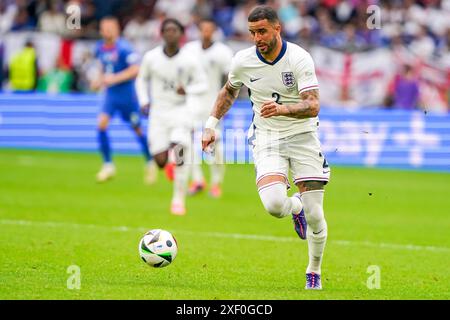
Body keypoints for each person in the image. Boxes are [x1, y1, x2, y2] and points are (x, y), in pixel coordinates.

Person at [202, 6, 329, 290]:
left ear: (277, 29)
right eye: (252, 32)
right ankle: (293, 206)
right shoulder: (243, 61)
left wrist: (283, 108)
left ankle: (314, 270)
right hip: (267, 138)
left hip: (303, 136)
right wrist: (210, 125)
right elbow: (229, 91)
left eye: (262, 31)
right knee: (273, 205)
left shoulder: (299, 58)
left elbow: (313, 105)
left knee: (316, 214)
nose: (257, 38)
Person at [136, 18, 208, 215]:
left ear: (181, 34)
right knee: (160, 161)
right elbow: (141, 80)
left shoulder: (189, 60)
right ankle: (167, 160)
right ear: (161, 33)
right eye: (167, 30)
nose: (170, 33)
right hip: (158, 113)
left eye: (174, 30)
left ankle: (178, 200)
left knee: (179, 149)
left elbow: (203, 84)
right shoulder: (151, 58)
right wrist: (144, 101)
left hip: (180, 111)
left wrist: (188, 89)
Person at [92, 16, 156, 184]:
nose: (106, 31)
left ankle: (150, 162)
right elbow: (102, 68)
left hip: (127, 95)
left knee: (137, 129)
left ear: (117, 29)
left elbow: (135, 69)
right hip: (111, 95)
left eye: (109, 28)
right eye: (104, 28)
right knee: (101, 125)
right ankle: (108, 165)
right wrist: (98, 81)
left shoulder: (124, 48)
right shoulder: (99, 48)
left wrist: (114, 78)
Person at [183, 18, 234, 198]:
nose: (206, 33)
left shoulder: (223, 52)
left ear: (214, 31)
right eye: (203, 29)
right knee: (185, 140)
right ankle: (197, 180)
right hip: (192, 102)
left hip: (213, 104)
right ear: (199, 31)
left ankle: (216, 183)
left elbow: (230, 79)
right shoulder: (189, 50)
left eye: (209, 29)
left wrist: (225, 103)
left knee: (215, 145)